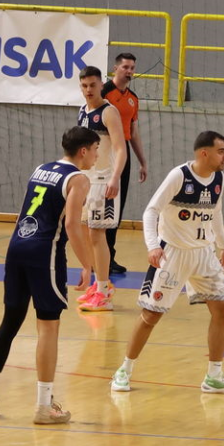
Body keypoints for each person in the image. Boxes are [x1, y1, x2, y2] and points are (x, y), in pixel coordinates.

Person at [0, 125, 99, 424]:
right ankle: (45, 406)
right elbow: (72, 225)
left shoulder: (41, 169)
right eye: (96, 150)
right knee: (48, 326)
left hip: (17, 246)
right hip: (45, 252)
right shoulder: (79, 179)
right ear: (83, 151)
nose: (97, 156)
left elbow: (22, 214)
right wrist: (87, 265)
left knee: (10, 322)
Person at [113, 131, 224, 396]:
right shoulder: (179, 176)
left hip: (204, 253)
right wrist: (153, 245)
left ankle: (214, 377)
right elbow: (151, 211)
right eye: (221, 151)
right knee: (151, 315)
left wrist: (223, 245)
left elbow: (216, 212)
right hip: (172, 254)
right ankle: (124, 370)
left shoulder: (218, 178)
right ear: (204, 153)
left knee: (223, 310)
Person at [74, 66, 127, 311]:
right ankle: (98, 285)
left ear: (101, 84)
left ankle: (104, 292)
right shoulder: (82, 111)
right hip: (86, 179)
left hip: (103, 181)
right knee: (85, 233)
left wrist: (115, 178)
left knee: (97, 235)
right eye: (84, 86)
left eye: (92, 85)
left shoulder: (109, 112)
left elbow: (120, 148)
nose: (88, 90)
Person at [100, 52, 149, 278]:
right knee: (100, 205)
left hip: (123, 152)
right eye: (125, 67)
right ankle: (97, 256)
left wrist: (142, 161)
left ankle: (108, 257)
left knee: (116, 208)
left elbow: (133, 132)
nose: (129, 71)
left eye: (132, 68)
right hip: (104, 150)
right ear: (115, 68)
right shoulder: (103, 92)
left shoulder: (133, 98)